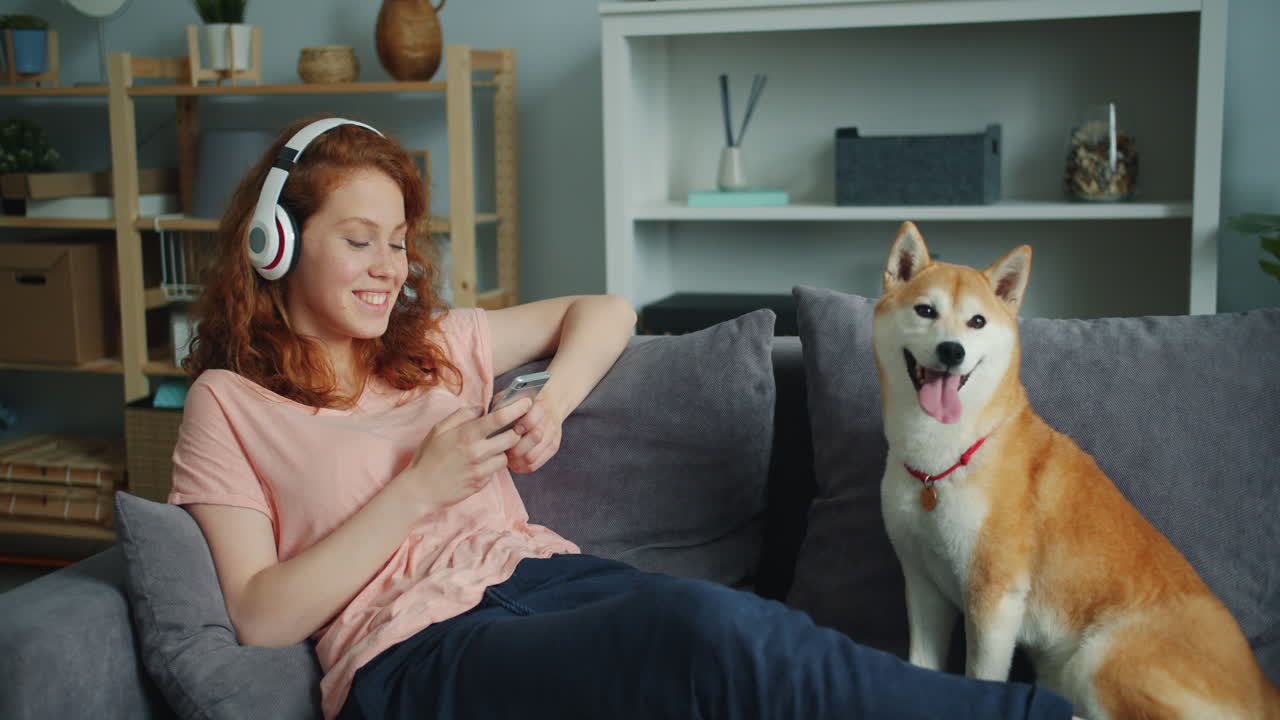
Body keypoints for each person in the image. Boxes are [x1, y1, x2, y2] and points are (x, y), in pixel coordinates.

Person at [171, 114, 1078, 720]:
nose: (387, 269)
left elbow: (605, 311)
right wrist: (418, 491)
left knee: (751, 631)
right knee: (705, 639)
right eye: (358, 240)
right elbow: (257, 613)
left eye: (399, 243)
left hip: (542, 580)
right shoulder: (228, 404)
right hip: (413, 651)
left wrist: (552, 403)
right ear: (275, 244)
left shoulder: (434, 340)